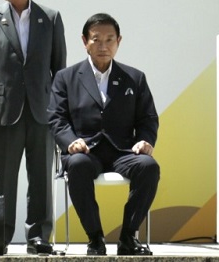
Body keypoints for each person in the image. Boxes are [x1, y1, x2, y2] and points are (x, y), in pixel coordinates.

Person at [49, 14, 160, 256]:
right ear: (84, 41)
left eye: (110, 39)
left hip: (123, 151)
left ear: (119, 41)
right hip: (85, 151)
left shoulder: (135, 78)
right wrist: (70, 142)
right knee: (77, 165)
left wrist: (145, 140)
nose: (103, 46)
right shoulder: (65, 78)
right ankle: (95, 238)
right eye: (96, 39)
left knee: (148, 166)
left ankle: (128, 237)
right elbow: (56, 118)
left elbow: (148, 118)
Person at [0, 0, 67, 253]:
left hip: (42, 111)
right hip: (4, 111)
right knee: (1, 175)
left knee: (40, 176)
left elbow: (59, 70)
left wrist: (58, 111)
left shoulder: (50, 18)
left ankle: (38, 235)